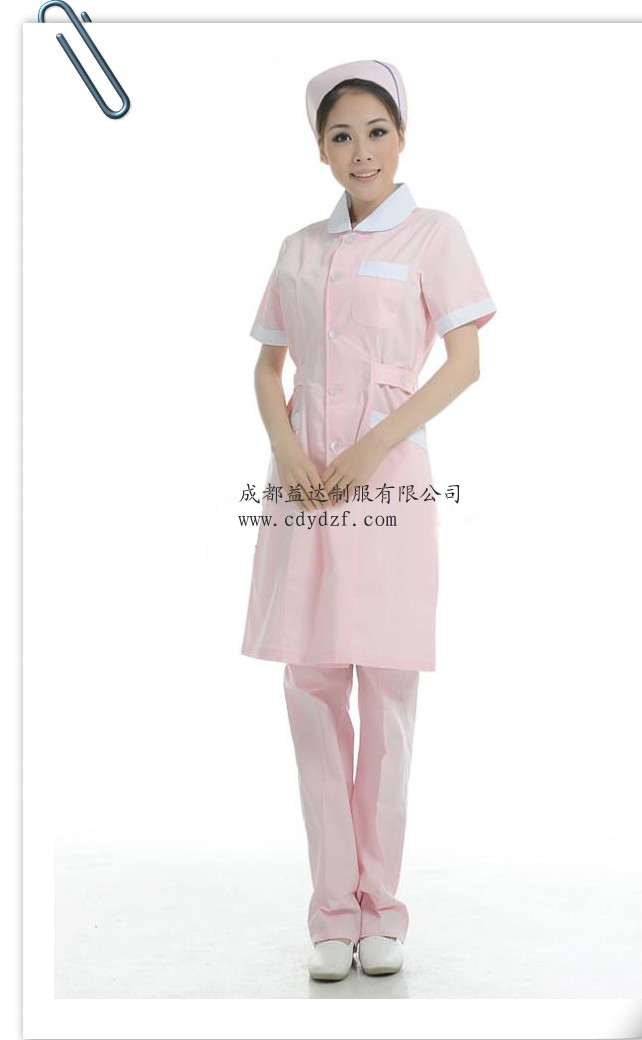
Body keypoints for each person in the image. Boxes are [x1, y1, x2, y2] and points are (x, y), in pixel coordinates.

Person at [241, 59, 497, 981]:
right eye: (341, 135)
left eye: (376, 132)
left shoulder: (435, 234)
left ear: (402, 138)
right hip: (303, 485)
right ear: (319, 148)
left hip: (385, 482)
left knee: (385, 693)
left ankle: (381, 908)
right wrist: (286, 451)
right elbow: (267, 365)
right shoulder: (298, 248)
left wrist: (368, 449)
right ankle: (330, 912)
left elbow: (463, 363)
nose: (361, 151)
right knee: (311, 691)